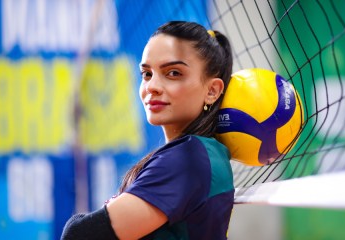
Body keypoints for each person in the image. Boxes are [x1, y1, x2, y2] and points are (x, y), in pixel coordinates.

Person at [61, 21, 234, 240]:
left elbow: (79, 235)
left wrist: (79, 221)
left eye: (173, 73)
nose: (151, 86)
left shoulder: (188, 158)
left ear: (212, 90)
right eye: (147, 74)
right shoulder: (206, 152)